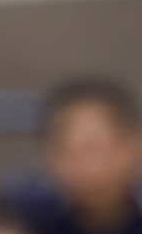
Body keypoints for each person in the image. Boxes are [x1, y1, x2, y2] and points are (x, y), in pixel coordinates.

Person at [8, 78, 142, 234]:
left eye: (93, 148)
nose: (82, 165)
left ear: (134, 145)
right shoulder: (24, 222)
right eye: (64, 149)